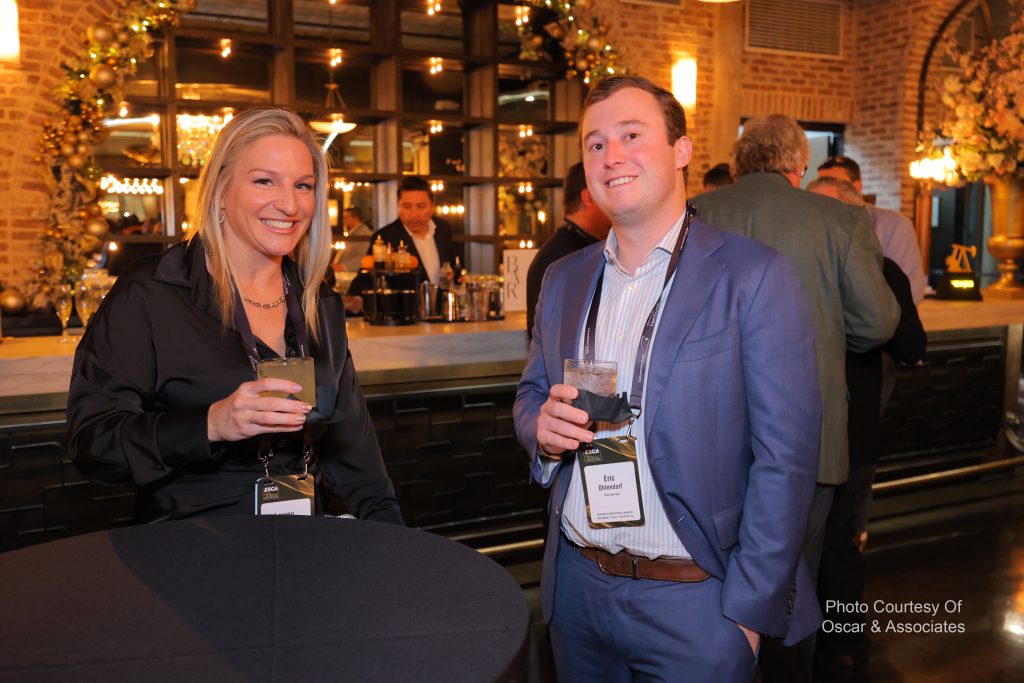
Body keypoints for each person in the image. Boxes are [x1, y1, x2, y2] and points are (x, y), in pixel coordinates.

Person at [514, 75, 823, 683]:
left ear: (682, 150)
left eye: (632, 135)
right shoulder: (563, 279)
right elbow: (530, 394)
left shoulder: (754, 275)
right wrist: (541, 432)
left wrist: (748, 614)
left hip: (698, 601)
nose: (612, 155)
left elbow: (786, 457)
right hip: (578, 591)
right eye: (595, 143)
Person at [67, 108, 403, 525]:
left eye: (303, 185)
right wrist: (212, 423)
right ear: (220, 191)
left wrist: (395, 543)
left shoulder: (318, 298)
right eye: (265, 181)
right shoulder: (150, 292)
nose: (289, 204)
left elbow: (358, 459)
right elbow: (94, 445)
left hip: (302, 539)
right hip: (191, 546)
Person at [692, 115, 899, 683]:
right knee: (793, 583)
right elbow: (877, 324)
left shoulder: (696, 213)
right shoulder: (840, 219)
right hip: (808, 437)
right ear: (799, 165)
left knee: (705, 578)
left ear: (739, 163)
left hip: (706, 435)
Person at [808, 176, 927, 682]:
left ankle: (837, 644)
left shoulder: (875, 270)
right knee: (829, 543)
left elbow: (911, 345)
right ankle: (829, 645)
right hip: (818, 430)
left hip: (841, 433)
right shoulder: (875, 269)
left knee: (834, 546)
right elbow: (911, 349)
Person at [817, 155, 927, 304]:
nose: (825, 190)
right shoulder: (817, 224)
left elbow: (910, 288)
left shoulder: (894, 225)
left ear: (857, 186)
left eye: (834, 182)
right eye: (821, 182)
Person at [525, 162, 612, 340]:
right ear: (588, 197)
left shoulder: (574, 247)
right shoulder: (564, 257)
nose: (615, 204)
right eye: (608, 191)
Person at [348, 176, 459, 296]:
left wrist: (455, 277)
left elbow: (451, 266)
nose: (414, 215)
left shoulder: (443, 229)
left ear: (432, 206)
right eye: (407, 207)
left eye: (421, 207)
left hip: (440, 305)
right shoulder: (385, 236)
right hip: (404, 306)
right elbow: (365, 280)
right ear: (398, 206)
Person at [333, 206, 373, 274]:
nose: (343, 220)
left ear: (356, 218)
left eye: (346, 217)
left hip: (354, 274)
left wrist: (343, 267)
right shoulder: (352, 233)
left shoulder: (365, 234)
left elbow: (364, 257)